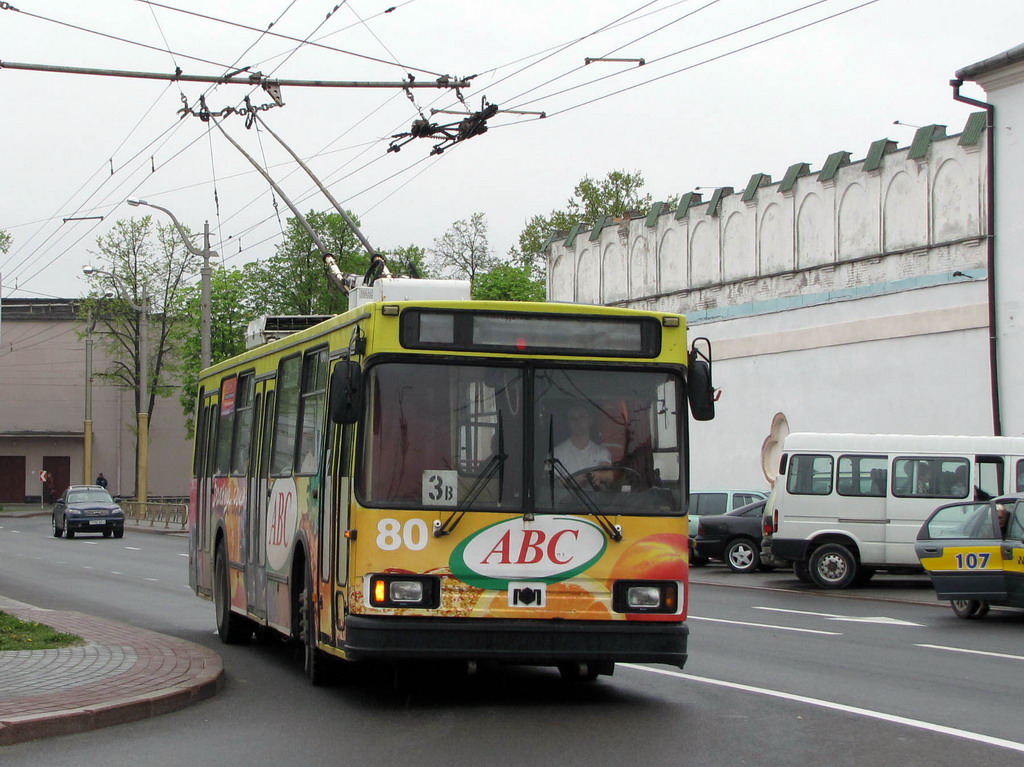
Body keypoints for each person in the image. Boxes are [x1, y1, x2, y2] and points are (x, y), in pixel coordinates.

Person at [553, 405, 611, 476]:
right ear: (568, 423)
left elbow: (609, 477)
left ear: (590, 420)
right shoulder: (556, 454)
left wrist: (601, 476)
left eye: (582, 417)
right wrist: (574, 481)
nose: (577, 421)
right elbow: (550, 483)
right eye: (572, 418)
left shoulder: (602, 453)